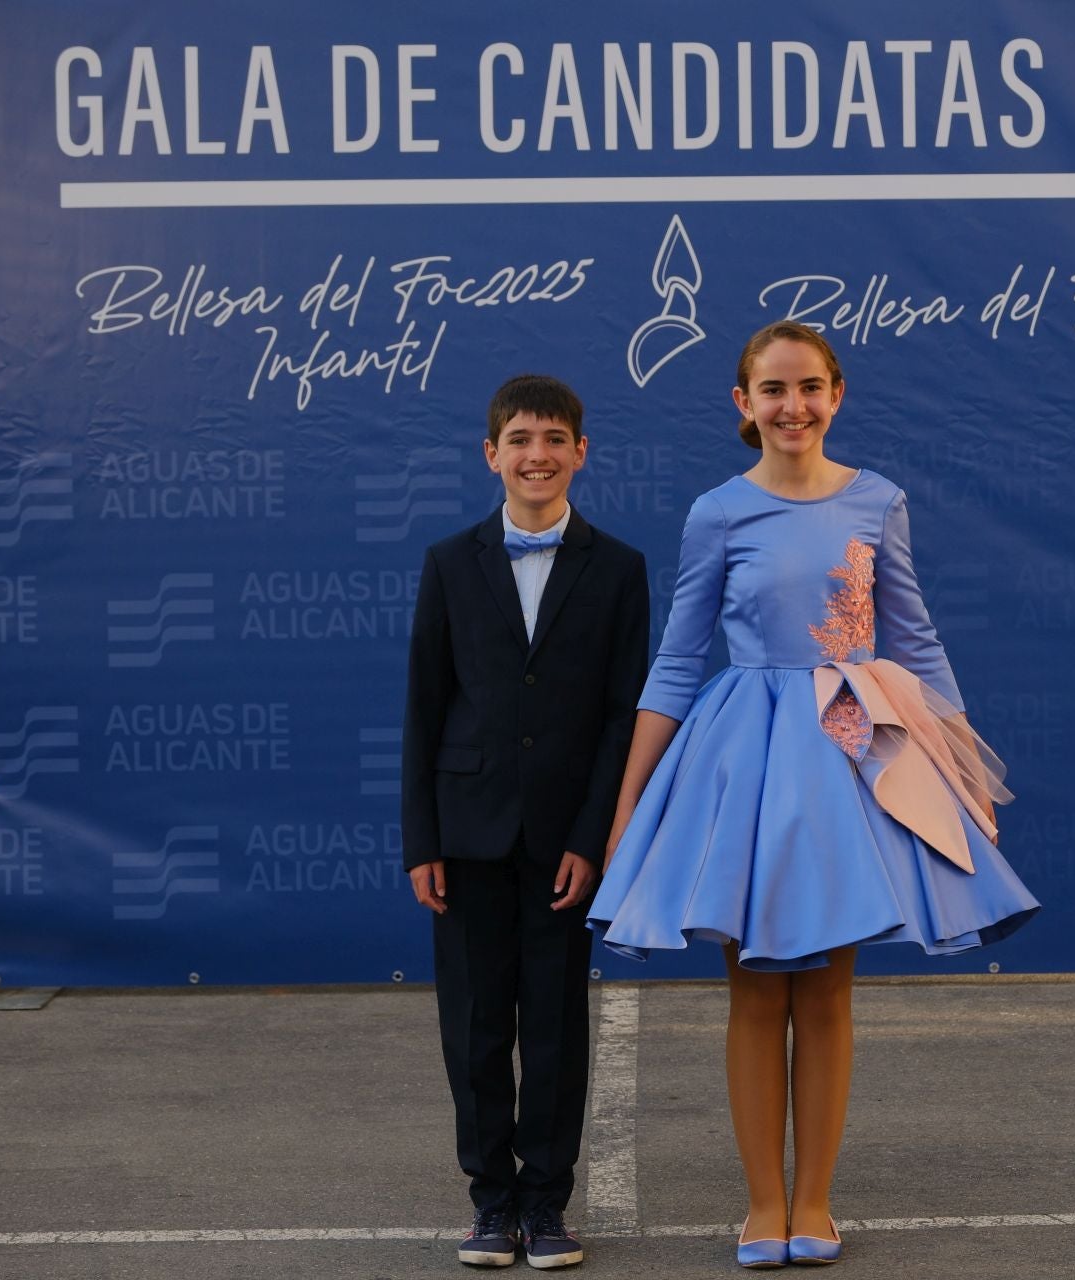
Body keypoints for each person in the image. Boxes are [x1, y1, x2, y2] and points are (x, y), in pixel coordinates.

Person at [588, 322, 1039, 1268]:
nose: (792, 406)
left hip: (853, 755)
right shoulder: (718, 512)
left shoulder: (877, 501)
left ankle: (816, 1203)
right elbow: (676, 661)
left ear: (837, 396)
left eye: (809, 388)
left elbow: (914, 644)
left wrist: (957, 762)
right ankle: (762, 1205)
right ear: (742, 404)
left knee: (828, 989)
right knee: (755, 989)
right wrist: (632, 801)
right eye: (772, 389)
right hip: (746, 756)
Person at [403, 375, 649, 1269]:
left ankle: (546, 1205)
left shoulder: (619, 568)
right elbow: (424, 709)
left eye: (553, 437)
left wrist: (593, 836)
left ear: (580, 452)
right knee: (474, 1028)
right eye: (519, 438)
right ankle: (489, 1203)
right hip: (465, 837)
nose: (536, 453)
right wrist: (421, 841)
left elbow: (624, 714)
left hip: (563, 844)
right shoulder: (449, 561)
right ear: (491, 454)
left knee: (551, 1026)